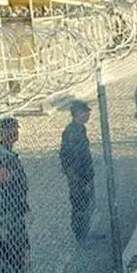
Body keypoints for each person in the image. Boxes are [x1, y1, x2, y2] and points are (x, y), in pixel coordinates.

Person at [59, 101, 96, 242]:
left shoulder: (80, 129)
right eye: (85, 112)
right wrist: (83, 180)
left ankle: (85, 232)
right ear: (78, 114)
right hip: (78, 178)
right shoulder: (72, 132)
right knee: (80, 206)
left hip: (82, 176)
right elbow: (73, 159)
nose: (88, 115)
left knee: (87, 204)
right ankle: (81, 236)